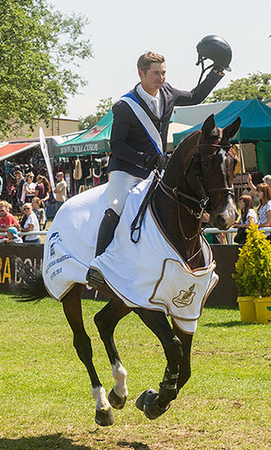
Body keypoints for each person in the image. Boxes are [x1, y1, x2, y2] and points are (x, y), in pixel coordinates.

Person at [87, 49, 227, 286]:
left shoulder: (169, 93)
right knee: (115, 207)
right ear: (141, 73)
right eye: (155, 74)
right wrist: (144, 159)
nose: (161, 78)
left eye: (163, 73)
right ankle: (98, 266)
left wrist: (217, 71)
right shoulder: (124, 106)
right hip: (127, 169)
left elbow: (195, 96)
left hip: (157, 168)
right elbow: (117, 145)